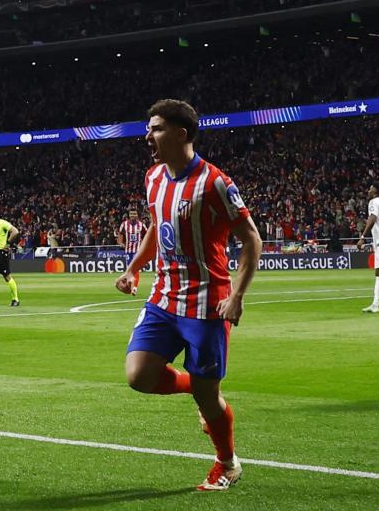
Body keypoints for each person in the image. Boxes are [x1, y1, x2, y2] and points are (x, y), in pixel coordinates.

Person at [115, 98, 262, 493]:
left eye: (157, 128)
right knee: (139, 376)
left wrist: (238, 295)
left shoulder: (215, 182)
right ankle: (197, 391)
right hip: (164, 298)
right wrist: (134, 267)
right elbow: (155, 227)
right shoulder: (153, 178)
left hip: (207, 304)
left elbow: (252, 240)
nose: (148, 135)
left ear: (181, 134)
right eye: (149, 128)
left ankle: (227, 462)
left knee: (210, 397)